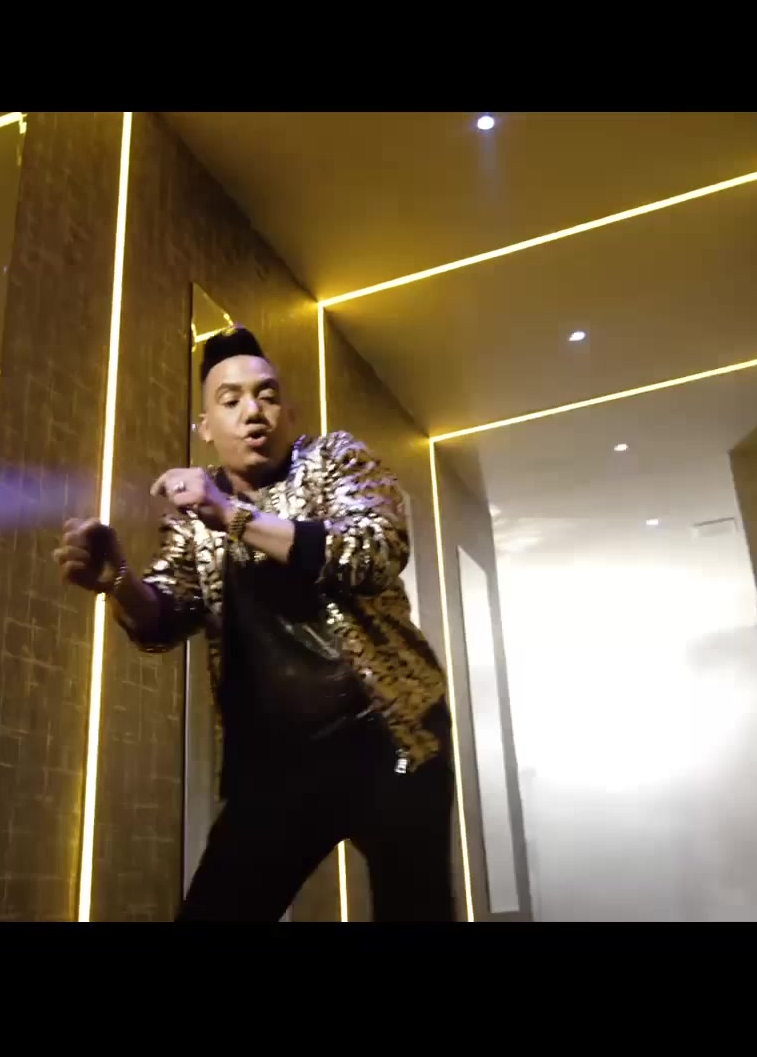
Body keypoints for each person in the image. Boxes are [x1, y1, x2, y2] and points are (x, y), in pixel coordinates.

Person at [55, 327, 457, 922]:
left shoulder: (334, 460)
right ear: (205, 428)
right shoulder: (194, 515)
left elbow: (373, 550)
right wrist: (118, 580)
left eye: (267, 396)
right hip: (275, 765)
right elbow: (164, 618)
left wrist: (233, 517)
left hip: (390, 738)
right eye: (231, 399)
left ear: (288, 413)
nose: (253, 411)